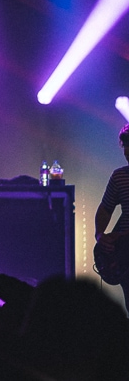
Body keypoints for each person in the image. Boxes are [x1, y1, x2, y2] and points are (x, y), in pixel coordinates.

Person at [94, 123, 129, 309]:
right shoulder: (119, 177)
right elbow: (105, 209)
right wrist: (100, 234)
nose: (127, 151)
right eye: (125, 146)